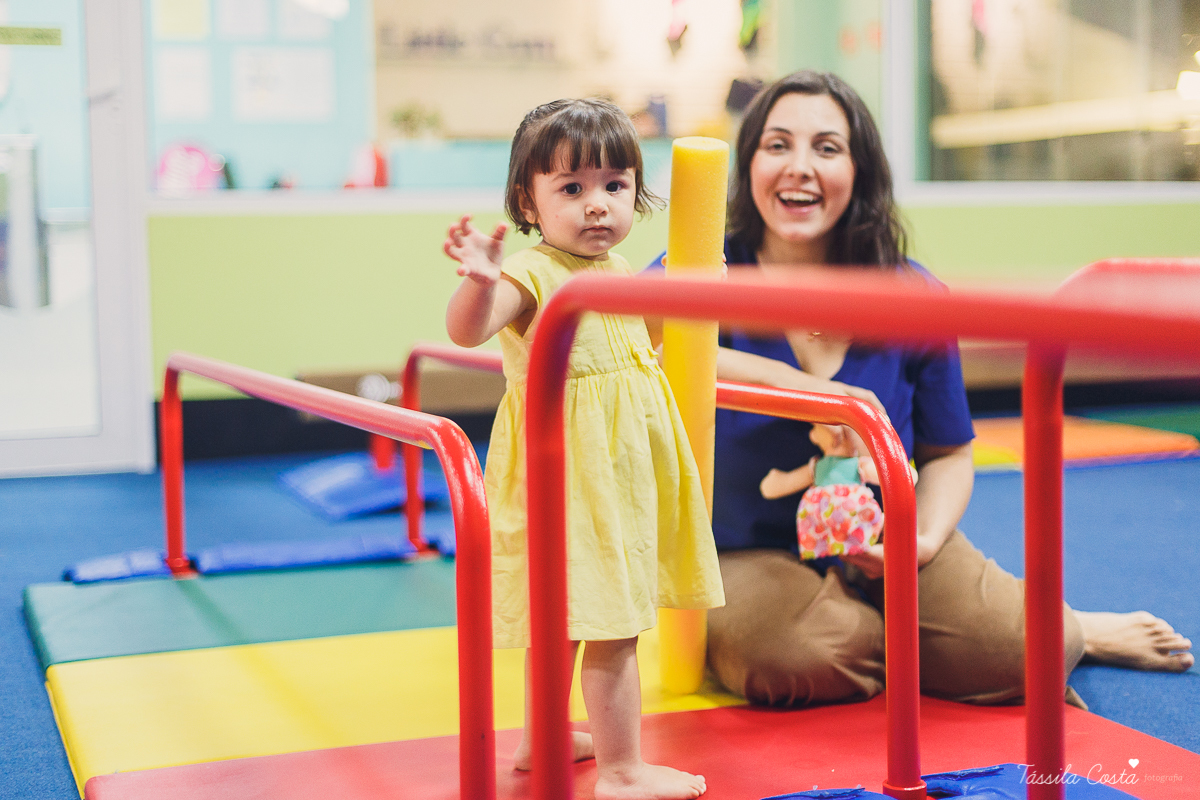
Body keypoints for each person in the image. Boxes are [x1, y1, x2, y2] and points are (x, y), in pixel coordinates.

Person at [652, 70, 1194, 710]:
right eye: (777, 145)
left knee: (1029, 649)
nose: (800, 167)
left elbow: (949, 453)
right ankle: (892, 638)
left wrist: (924, 541)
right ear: (748, 166)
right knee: (805, 660)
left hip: (885, 534)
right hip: (741, 548)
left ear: (860, 171)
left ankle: (1071, 627)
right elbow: (656, 350)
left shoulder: (909, 291)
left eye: (827, 148)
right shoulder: (700, 268)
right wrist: (828, 398)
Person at [443, 98, 723, 800]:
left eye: (614, 185)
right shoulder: (534, 274)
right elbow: (468, 333)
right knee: (612, 622)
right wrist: (480, 282)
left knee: (563, 616)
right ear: (527, 202)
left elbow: (637, 343)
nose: (596, 205)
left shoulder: (620, 271)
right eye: (571, 189)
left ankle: (543, 738)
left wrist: (695, 285)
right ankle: (623, 772)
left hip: (611, 471)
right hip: (569, 472)